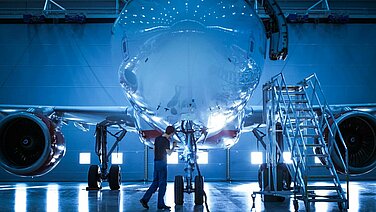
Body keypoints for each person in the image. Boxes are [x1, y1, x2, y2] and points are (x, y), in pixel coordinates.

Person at [140, 126, 177, 210]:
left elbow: (154, 149)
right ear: (171, 133)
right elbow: (169, 153)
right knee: (162, 184)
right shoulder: (166, 141)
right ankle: (160, 204)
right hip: (162, 163)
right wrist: (174, 146)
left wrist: (157, 157)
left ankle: (144, 199)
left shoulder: (157, 138)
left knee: (155, 183)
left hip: (156, 162)